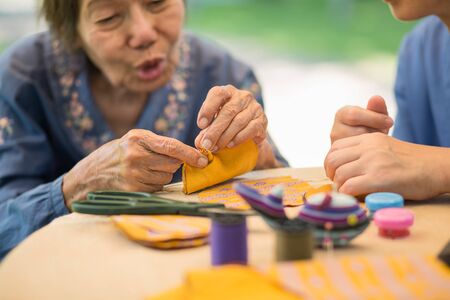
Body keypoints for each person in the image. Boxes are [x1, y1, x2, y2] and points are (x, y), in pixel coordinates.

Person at [0, 0, 287, 259]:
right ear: (69, 31)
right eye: (108, 17)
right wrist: (73, 187)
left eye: (158, 3)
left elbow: (292, 205)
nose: (144, 33)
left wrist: (259, 156)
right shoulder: (23, 80)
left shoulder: (224, 73)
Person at [324, 0, 450, 200]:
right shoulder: (418, 49)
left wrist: (439, 167)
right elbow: (410, 177)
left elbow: (422, 166)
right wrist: (370, 157)